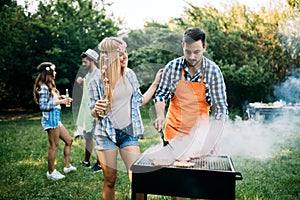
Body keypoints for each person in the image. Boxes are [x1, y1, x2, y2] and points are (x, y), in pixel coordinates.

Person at [153, 28, 228, 199]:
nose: (192, 57)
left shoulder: (213, 72)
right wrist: (159, 115)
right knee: (176, 184)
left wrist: (213, 138)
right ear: (182, 46)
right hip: (174, 132)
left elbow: (221, 109)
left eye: (197, 52)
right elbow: (161, 95)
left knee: (196, 183)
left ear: (204, 47)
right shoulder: (172, 67)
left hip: (200, 135)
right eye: (188, 52)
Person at [88, 37, 162, 200]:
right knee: (110, 179)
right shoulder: (96, 80)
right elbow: (93, 112)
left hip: (128, 132)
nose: (124, 57)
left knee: (138, 178)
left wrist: (156, 83)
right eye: (120, 54)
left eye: (125, 53)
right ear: (110, 57)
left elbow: (140, 101)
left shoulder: (130, 75)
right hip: (106, 134)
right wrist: (97, 109)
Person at [33, 62, 77, 181]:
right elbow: (43, 106)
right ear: (48, 73)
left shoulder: (49, 86)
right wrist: (60, 102)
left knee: (69, 140)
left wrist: (61, 98)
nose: (56, 73)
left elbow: (51, 100)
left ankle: (67, 166)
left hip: (56, 118)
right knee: (53, 146)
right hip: (50, 119)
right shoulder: (43, 87)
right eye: (54, 71)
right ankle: (51, 172)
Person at [76, 48, 102, 172]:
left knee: (98, 138)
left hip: (96, 112)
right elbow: (87, 93)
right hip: (87, 111)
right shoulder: (88, 75)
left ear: (92, 61)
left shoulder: (99, 75)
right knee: (88, 137)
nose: (83, 64)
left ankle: (99, 164)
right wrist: (81, 84)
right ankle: (87, 161)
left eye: (85, 62)